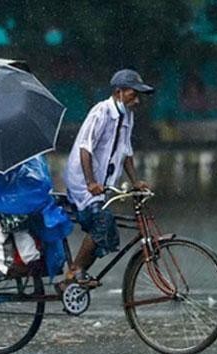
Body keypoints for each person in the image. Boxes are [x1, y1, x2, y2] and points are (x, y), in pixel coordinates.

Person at [63, 69, 153, 285]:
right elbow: (86, 148)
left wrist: (135, 182)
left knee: (106, 228)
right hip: (83, 182)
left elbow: (126, 151)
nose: (137, 100)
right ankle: (74, 273)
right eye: (133, 93)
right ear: (119, 92)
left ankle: (77, 273)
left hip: (103, 183)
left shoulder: (127, 116)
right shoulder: (101, 112)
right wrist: (90, 182)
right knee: (102, 221)